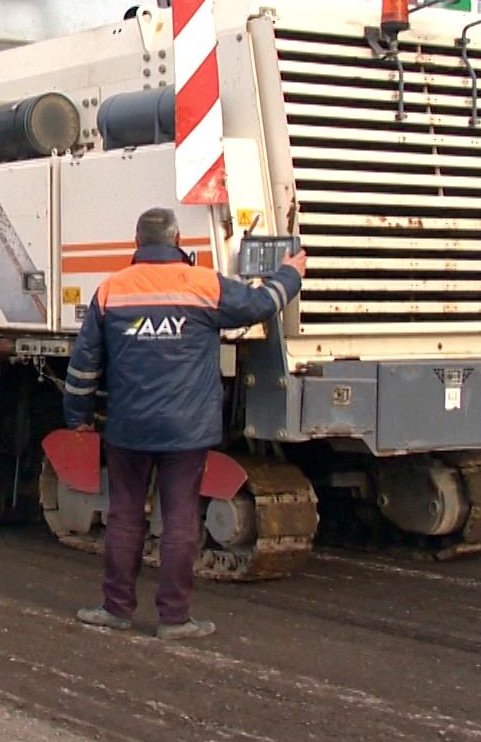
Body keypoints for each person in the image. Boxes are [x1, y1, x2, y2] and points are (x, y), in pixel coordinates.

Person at [64, 208, 305, 640]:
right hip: (187, 431)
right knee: (179, 520)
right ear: (177, 242)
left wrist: (77, 417)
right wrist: (290, 273)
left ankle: (116, 610)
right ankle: (174, 619)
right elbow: (260, 305)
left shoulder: (111, 291)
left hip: (129, 428)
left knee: (124, 518)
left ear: (136, 242)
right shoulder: (203, 285)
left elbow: (84, 366)